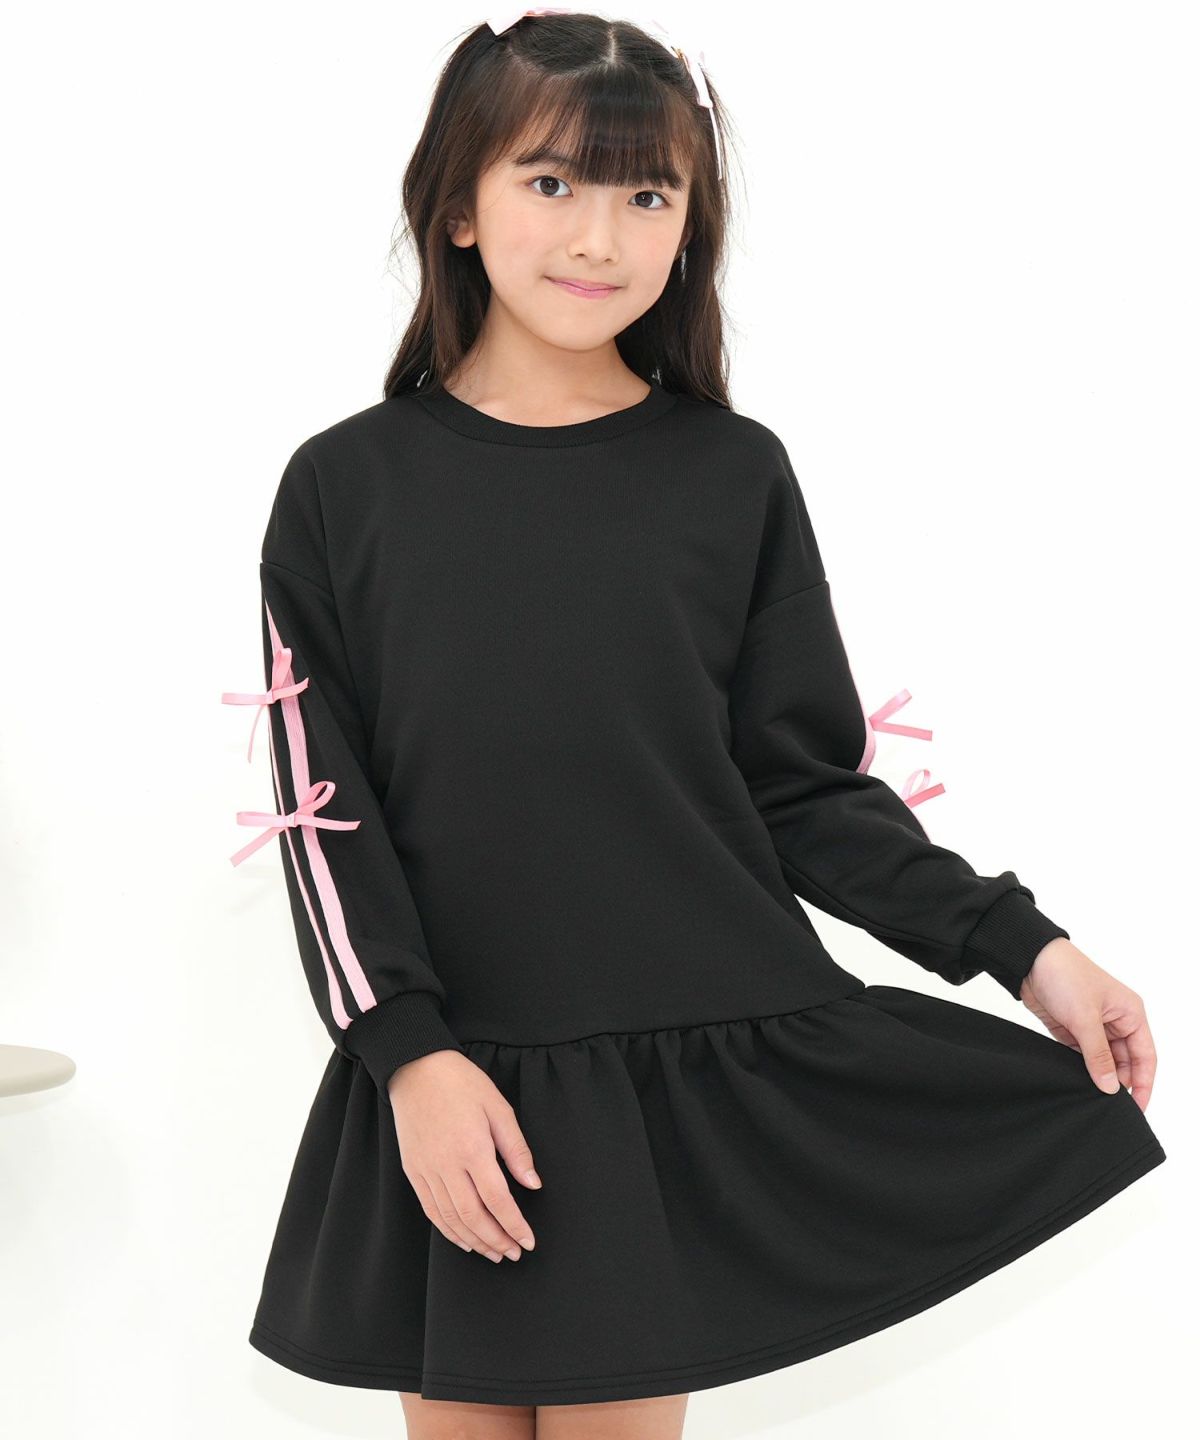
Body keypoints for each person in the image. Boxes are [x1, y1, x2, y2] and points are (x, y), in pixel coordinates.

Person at [222, 11, 1165, 1437]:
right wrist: (409, 1056)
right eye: (552, 182)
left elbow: (803, 788)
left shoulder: (730, 477)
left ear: (689, 225)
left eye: (647, 194)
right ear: (459, 206)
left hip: (668, 1084)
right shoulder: (343, 491)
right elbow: (321, 814)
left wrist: (1025, 948)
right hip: (454, 1078)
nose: (600, 235)